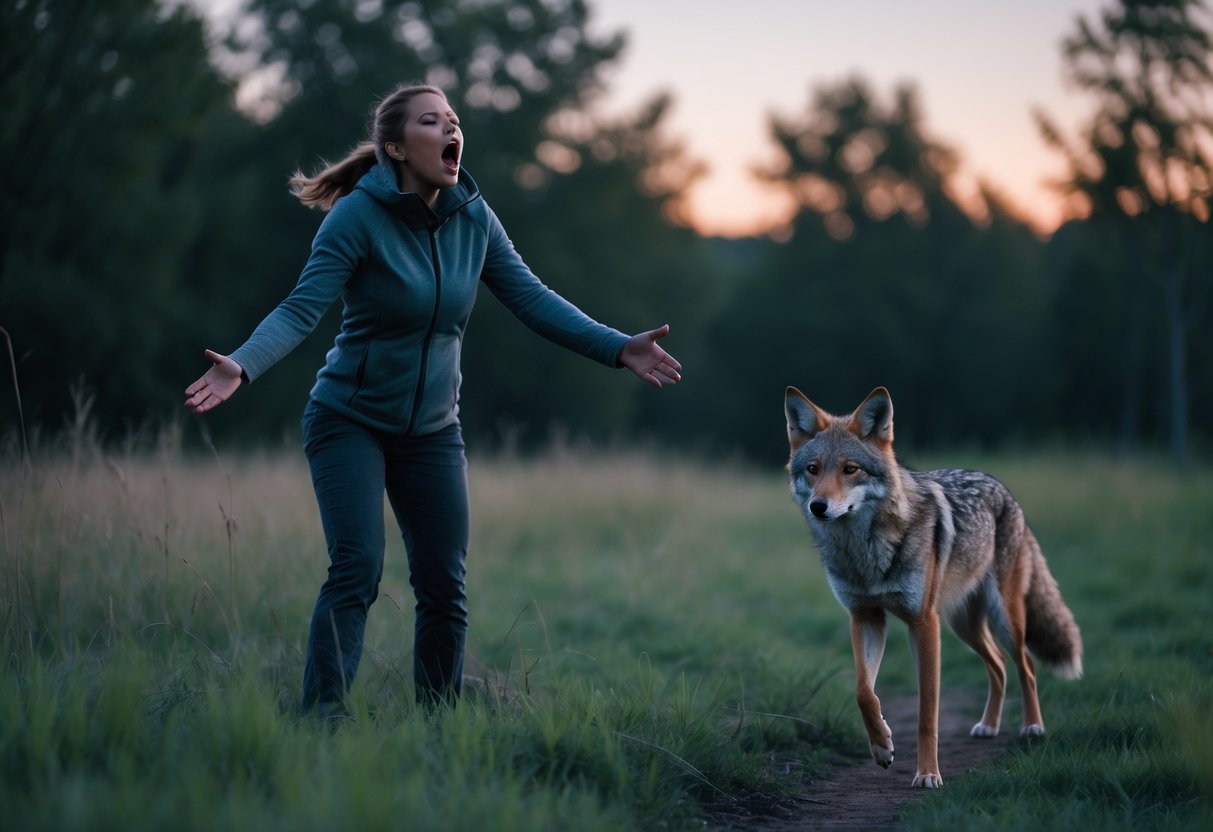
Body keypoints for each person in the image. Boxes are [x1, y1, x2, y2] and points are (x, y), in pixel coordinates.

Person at [184, 83, 681, 716]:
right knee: (358, 568)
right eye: (431, 121)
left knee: (445, 586)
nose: (451, 131)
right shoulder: (356, 217)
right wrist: (243, 364)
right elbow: (301, 308)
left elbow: (532, 298)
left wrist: (618, 347)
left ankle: (440, 719)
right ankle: (323, 719)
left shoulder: (473, 215)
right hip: (349, 421)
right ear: (395, 145)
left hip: (432, 432)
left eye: (453, 120)